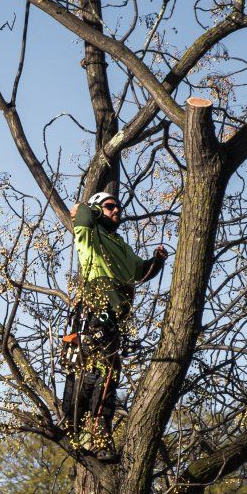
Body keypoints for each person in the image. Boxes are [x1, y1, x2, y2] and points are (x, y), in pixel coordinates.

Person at [64, 189, 168, 455]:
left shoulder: (121, 245)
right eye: (110, 207)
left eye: (118, 208)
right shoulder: (89, 236)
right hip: (97, 310)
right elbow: (84, 216)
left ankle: (91, 434)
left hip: (114, 318)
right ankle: (93, 436)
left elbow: (139, 271)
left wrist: (156, 262)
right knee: (100, 373)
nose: (116, 211)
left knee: (107, 373)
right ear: (98, 209)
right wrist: (93, 208)